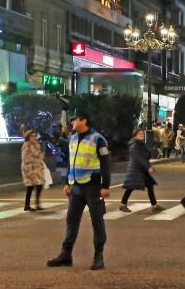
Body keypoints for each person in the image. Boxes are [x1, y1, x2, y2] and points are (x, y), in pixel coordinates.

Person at [46, 110, 111, 271]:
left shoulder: (98, 140)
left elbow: (105, 163)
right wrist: (67, 182)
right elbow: (71, 161)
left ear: (84, 120)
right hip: (75, 187)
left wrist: (105, 186)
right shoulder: (73, 139)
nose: (72, 122)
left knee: (97, 221)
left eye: (74, 120)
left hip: (93, 186)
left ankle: (98, 256)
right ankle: (66, 254)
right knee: (71, 221)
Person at [120, 128, 164, 213]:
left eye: (142, 134)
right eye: (140, 134)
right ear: (135, 135)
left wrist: (148, 165)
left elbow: (145, 155)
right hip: (136, 170)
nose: (142, 135)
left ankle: (154, 205)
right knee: (130, 187)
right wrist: (148, 167)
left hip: (141, 169)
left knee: (149, 185)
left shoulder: (140, 144)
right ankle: (123, 204)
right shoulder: (134, 146)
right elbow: (139, 158)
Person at [21, 129, 46, 211]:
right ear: (28, 137)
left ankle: (37, 203)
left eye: (35, 136)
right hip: (29, 169)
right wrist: (37, 159)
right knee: (30, 186)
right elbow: (26, 158)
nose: (34, 137)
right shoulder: (26, 145)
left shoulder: (37, 144)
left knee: (39, 185)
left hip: (37, 168)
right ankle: (27, 205)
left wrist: (38, 158)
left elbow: (40, 155)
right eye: (33, 136)